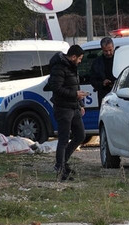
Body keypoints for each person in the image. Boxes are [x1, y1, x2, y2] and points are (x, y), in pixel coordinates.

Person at [48, 45, 88, 181]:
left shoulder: (72, 67)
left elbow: (75, 86)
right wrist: (74, 94)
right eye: (80, 59)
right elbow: (56, 88)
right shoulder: (59, 67)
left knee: (80, 135)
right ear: (73, 57)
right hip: (63, 108)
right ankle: (60, 169)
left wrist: (80, 104)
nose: (80, 62)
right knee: (64, 139)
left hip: (74, 107)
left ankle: (63, 162)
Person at [90, 37, 116, 107]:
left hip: (119, 94)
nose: (108, 53)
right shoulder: (97, 63)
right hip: (104, 96)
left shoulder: (119, 59)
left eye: (110, 50)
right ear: (102, 49)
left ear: (113, 47)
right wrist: (102, 83)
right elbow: (92, 80)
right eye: (105, 51)